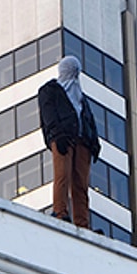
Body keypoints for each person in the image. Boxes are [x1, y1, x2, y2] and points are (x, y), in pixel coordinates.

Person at [38, 56, 101, 229]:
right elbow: (48, 115)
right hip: (63, 138)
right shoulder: (50, 90)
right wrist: (56, 135)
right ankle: (60, 212)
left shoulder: (81, 97)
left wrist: (94, 143)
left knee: (81, 184)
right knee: (62, 176)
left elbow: (88, 119)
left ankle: (83, 223)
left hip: (82, 142)